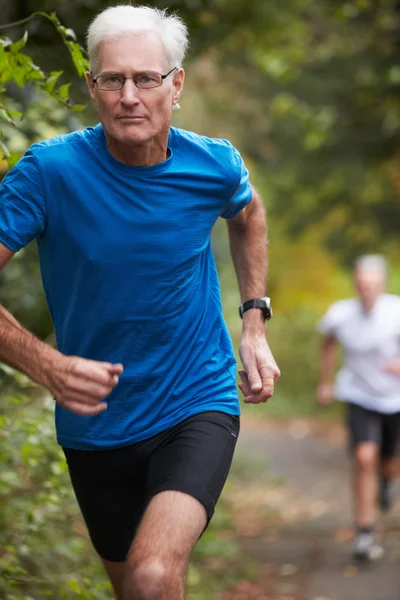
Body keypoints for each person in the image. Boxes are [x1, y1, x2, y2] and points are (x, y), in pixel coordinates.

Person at [0, 5, 280, 599]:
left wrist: (254, 319)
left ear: (175, 84)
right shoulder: (48, 174)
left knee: (153, 577)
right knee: (135, 590)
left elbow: (249, 213)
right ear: (92, 88)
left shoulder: (213, 165)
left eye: (146, 78)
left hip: (195, 400)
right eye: (112, 79)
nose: (130, 95)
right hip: (96, 423)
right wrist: (44, 364)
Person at [317, 254, 400, 561]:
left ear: (382, 285)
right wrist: (325, 382)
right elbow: (328, 343)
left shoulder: (396, 311)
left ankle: (389, 481)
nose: (367, 290)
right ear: (356, 284)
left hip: (394, 397)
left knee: (388, 460)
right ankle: (365, 533)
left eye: (373, 285)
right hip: (358, 394)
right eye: (362, 285)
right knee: (365, 457)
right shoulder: (340, 313)